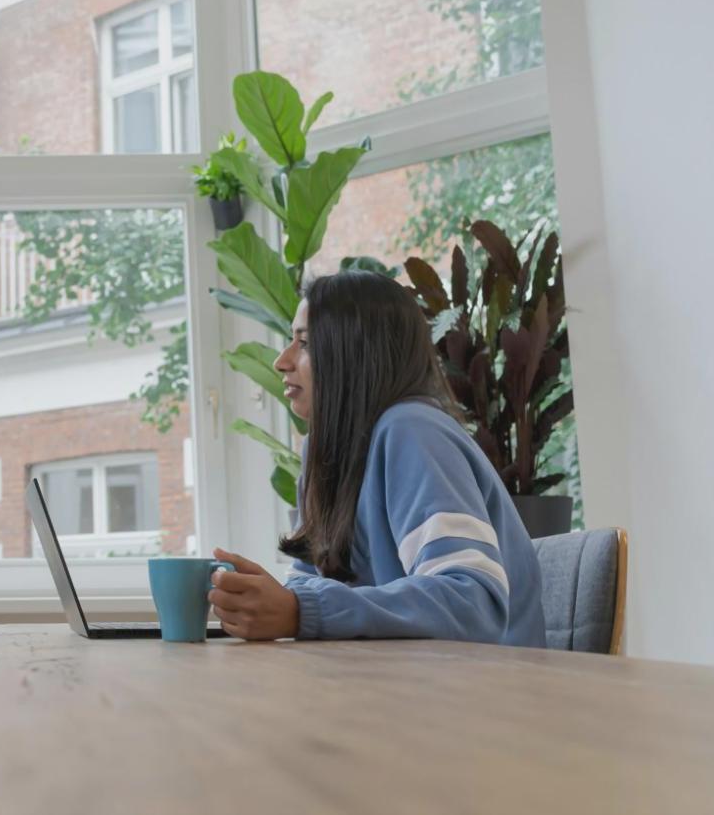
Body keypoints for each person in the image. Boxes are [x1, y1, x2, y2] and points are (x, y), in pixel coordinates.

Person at [207, 270, 545, 646]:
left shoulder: (412, 430)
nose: (282, 362)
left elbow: (474, 602)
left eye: (304, 343)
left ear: (353, 351)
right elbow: (310, 584)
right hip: (401, 687)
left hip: (489, 694)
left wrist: (304, 610)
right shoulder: (326, 450)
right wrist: (279, 603)